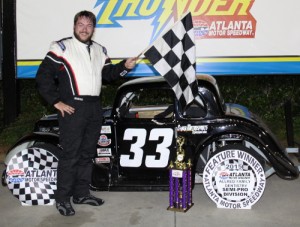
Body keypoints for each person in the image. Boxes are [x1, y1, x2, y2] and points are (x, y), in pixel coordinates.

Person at [36, 10, 137, 216]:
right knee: (70, 156)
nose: (84, 29)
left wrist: (124, 67)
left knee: (87, 154)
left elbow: (108, 76)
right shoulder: (61, 47)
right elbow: (43, 76)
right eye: (80, 25)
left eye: (89, 25)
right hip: (73, 107)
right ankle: (63, 198)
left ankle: (81, 193)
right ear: (74, 27)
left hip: (94, 107)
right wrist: (56, 102)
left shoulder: (100, 50)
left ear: (94, 28)